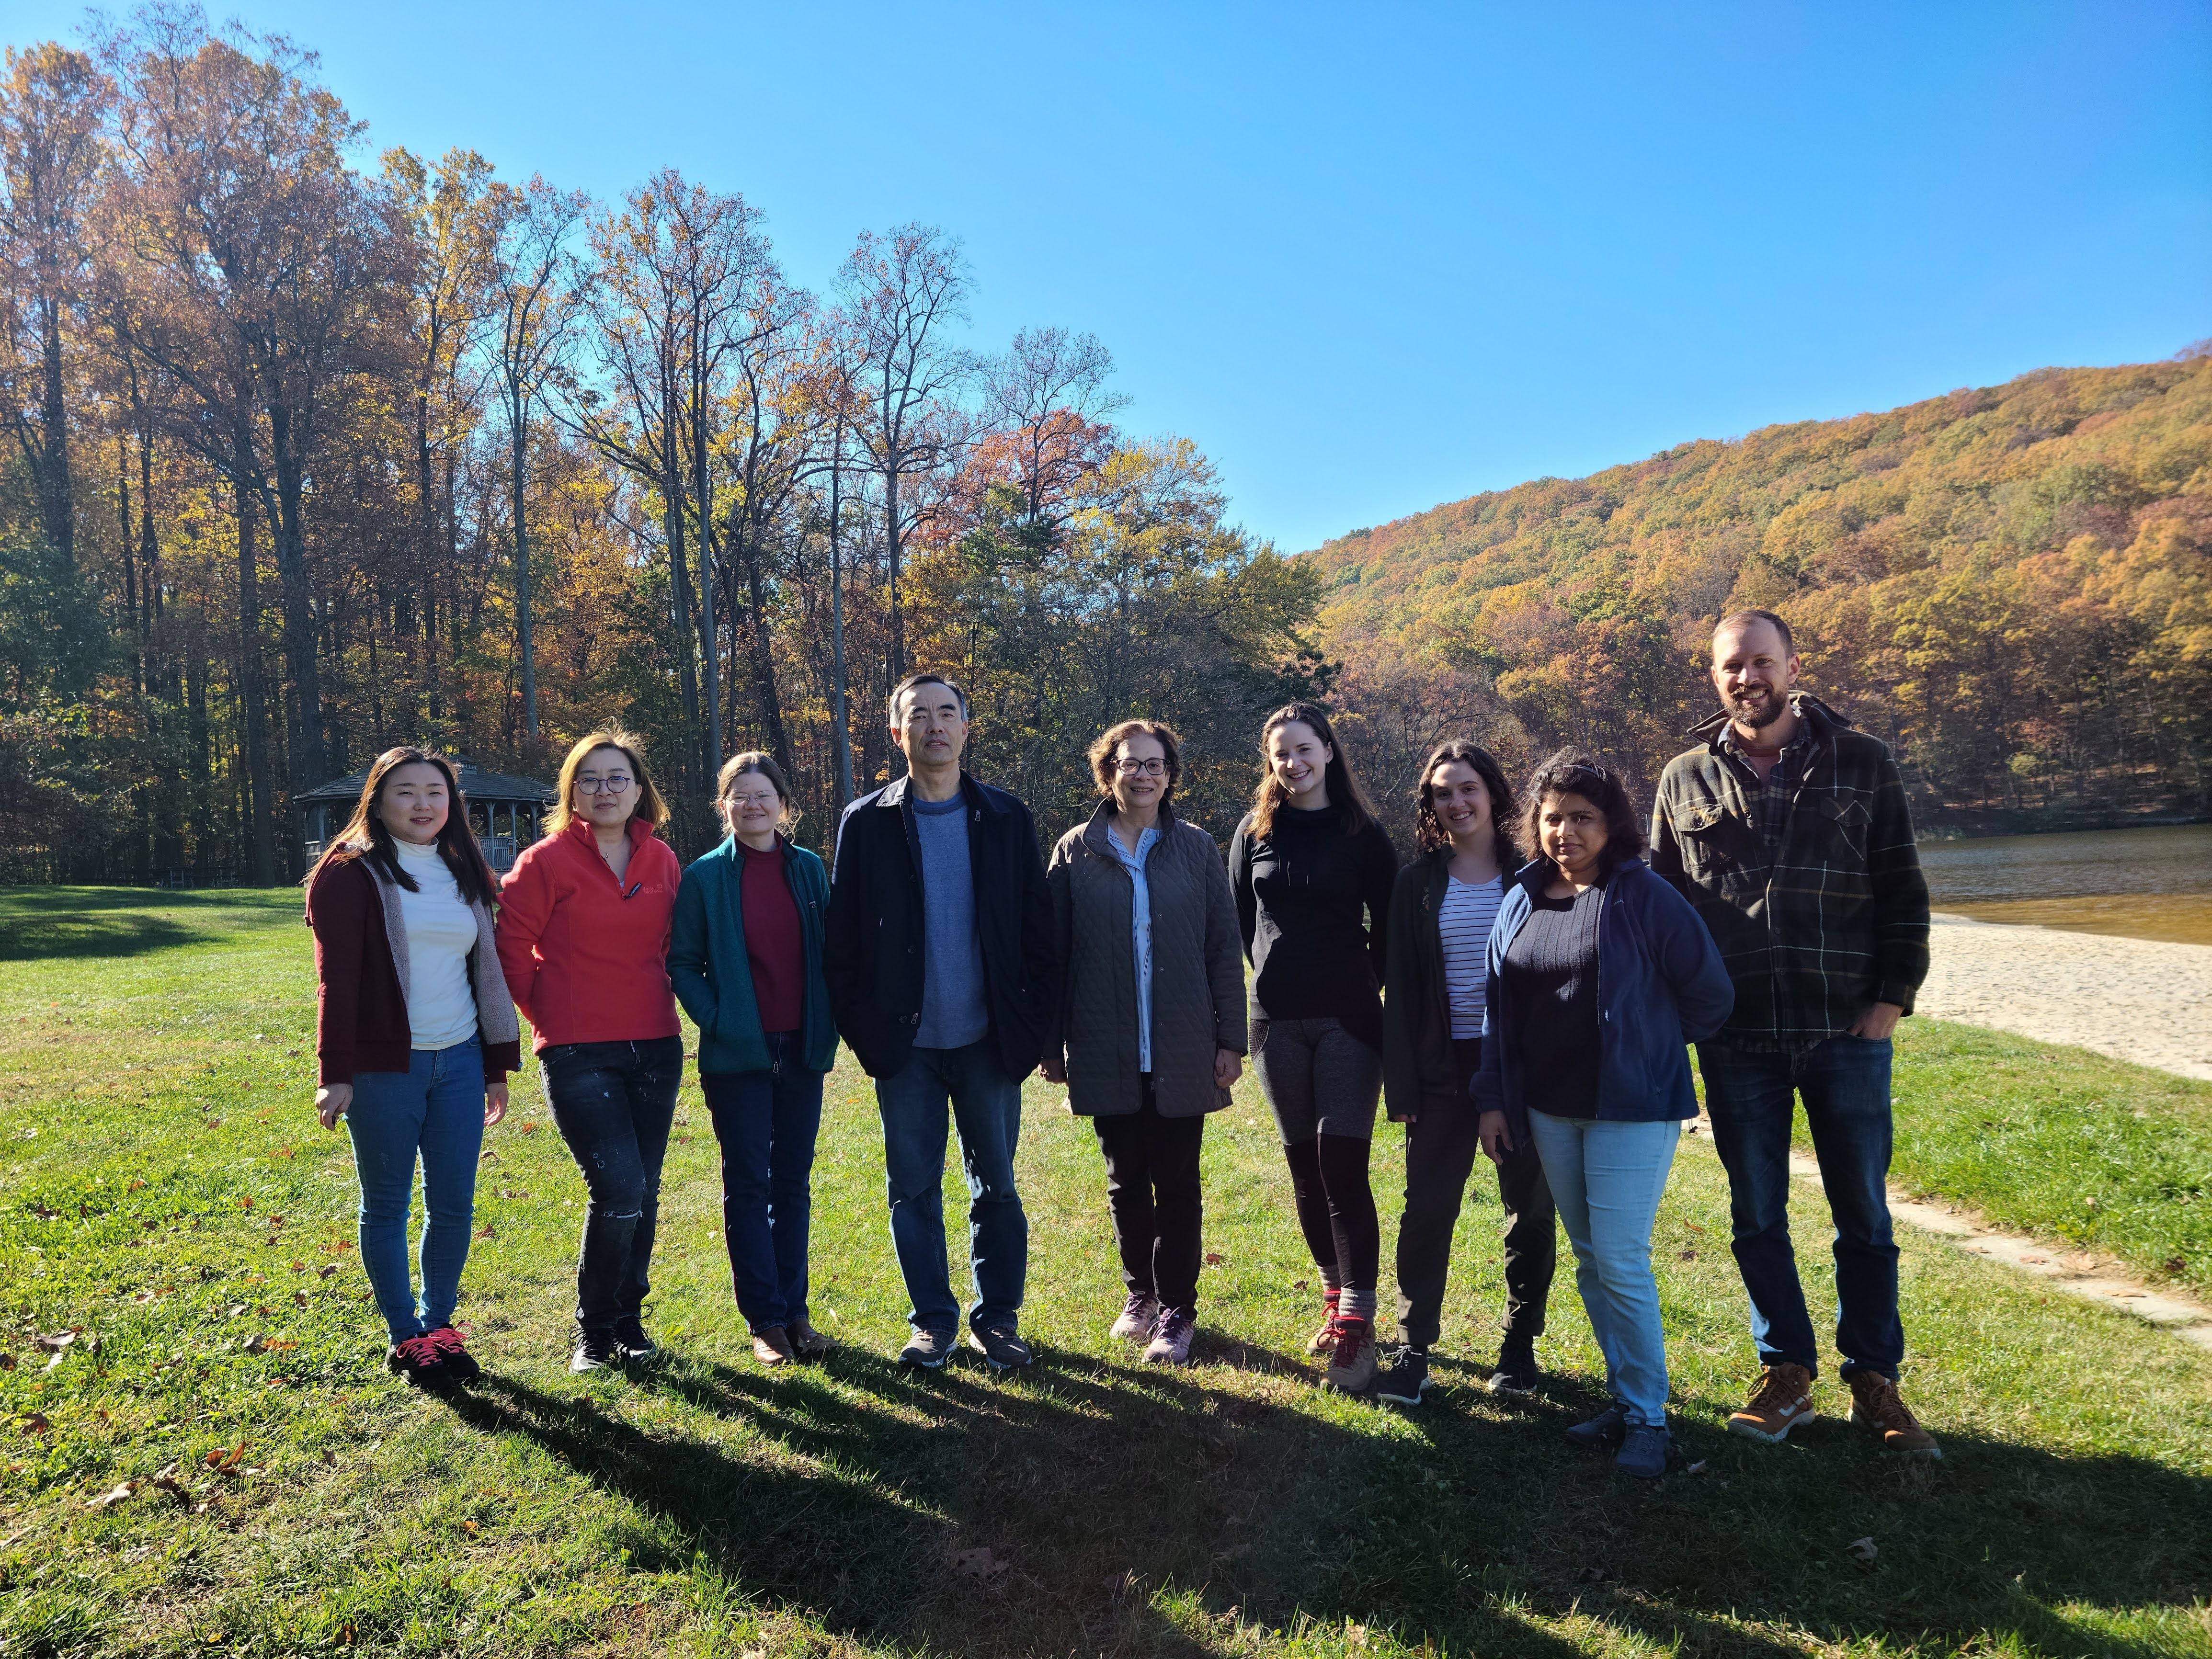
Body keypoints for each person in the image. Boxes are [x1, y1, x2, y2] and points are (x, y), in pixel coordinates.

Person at [1649, 609, 1938, 1456]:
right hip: (1737, 1038)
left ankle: (1873, 1380)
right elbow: (1663, 911)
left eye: (1760, 662)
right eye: (1731, 666)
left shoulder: (1861, 761)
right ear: (1715, 677)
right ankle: (1786, 1373)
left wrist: (1892, 994)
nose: (1747, 678)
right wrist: (1676, 1017)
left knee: (1863, 1212)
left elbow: (1902, 888)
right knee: (1755, 1213)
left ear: (1791, 665)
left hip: (1843, 1027)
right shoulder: (1683, 779)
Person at [1474, 751, 1733, 1477]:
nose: (1565, 832)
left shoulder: (1643, 896)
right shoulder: (1522, 895)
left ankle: (1650, 1418)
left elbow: (1709, 995)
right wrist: (1492, 1099)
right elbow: (1498, 1009)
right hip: (1550, 1112)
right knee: (1591, 1261)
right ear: (1534, 824)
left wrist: (1647, 1042)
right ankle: (1624, 1401)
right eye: (1552, 818)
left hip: (1630, 1108)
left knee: (1619, 1259)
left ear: (1610, 823)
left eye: (1581, 818)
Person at [824, 672, 1056, 1371]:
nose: (933, 725)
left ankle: (999, 1318)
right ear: (896, 734)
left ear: (965, 728)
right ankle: (933, 1323)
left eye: (946, 713)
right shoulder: (866, 822)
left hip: (988, 1041)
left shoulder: (1006, 818)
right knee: (913, 1190)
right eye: (917, 715)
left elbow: (1038, 933)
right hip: (907, 1047)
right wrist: (869, 1036)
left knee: (999, 1188)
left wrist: (1031, 1028)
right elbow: (843, 944)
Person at [306, 747, 521, 1389]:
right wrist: (335, 1071)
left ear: (452, 803)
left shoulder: (463, 872)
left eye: (435, 791)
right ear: (376, 799)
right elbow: (335, 981)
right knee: (388, 1205)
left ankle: (439, 1325)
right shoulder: (348, 874)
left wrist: (493, 1067)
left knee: (453, 1203)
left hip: (457, 1062)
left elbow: (483, 974)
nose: (423, 804)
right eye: (406, 792)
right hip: (382, 1069)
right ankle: (405, 1335)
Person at [1041, 720, 1246, 1366]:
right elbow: (1052, 955)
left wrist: (1230, 1040)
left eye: (1155, 765)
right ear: (1108, 772)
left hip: (1183, 1046)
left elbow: (1223, 947)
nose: (1144, 774)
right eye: (1130, 764)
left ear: (1169, 774)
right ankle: (1140, 1296)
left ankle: (1179, 1311)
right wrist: (1051, 1044)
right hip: (1105, 1045)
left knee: (1177, 1184)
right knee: (1125, 1182)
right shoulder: (1076, 850)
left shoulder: (1194, 849)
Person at [495, 727, 684, 1375]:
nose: (605, 790)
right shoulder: (545, 862)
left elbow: (670, 948)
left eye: (618, 778)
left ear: (639, 790)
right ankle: (594, 1332)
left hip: (656, 1045)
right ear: (571, 791)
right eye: (591, 779)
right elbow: (509, 952)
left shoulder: (661, 860)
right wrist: (549, 1015)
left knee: (645, 1191)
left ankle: (630, 1323)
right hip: (579, 1052)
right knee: (619, 1187)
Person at [1375, 740, 1555, 1408]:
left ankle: (1518, 1346)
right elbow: (1401, 989)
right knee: (1425, 1212)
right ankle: (1413, 1347)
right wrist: (1402, 1088)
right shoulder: (1416, 884)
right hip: (1439, 1069)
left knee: (1529, 1215)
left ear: (1493, 795)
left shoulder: (1536, 874)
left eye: (1467, 789)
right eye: (1442, 793)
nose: (1456, 802)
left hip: (1521, 1070)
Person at [1229, 702, 1401, 1394]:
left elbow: (1389, 930)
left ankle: (1358, 1335)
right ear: (1269, 762)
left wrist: (1358, 987)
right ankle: (1335, 1307)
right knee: (1302, 1169)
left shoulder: (1363, 834)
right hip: (1275, 1022)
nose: (1293, 764)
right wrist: (1275, 983)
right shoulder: (1253, 832)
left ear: (1328, 752)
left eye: (1304, 750)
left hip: (1347, 1022)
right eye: (1280, 754)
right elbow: (1242, 922)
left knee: (1342, 1165)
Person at [668, 752, 838, 1369]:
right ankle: (764, 1320)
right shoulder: (705, 878)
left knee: (792, 1185)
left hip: (802, 1049)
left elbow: (831, 952)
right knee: (749, 1185)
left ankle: (796, 1312)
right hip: (737, 1056)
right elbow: (682, 962)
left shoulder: (810, 871)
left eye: (764, 795)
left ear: (784, 805)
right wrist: (720, 1019)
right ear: (724, 807)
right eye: (740, 796)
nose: (753, 806)